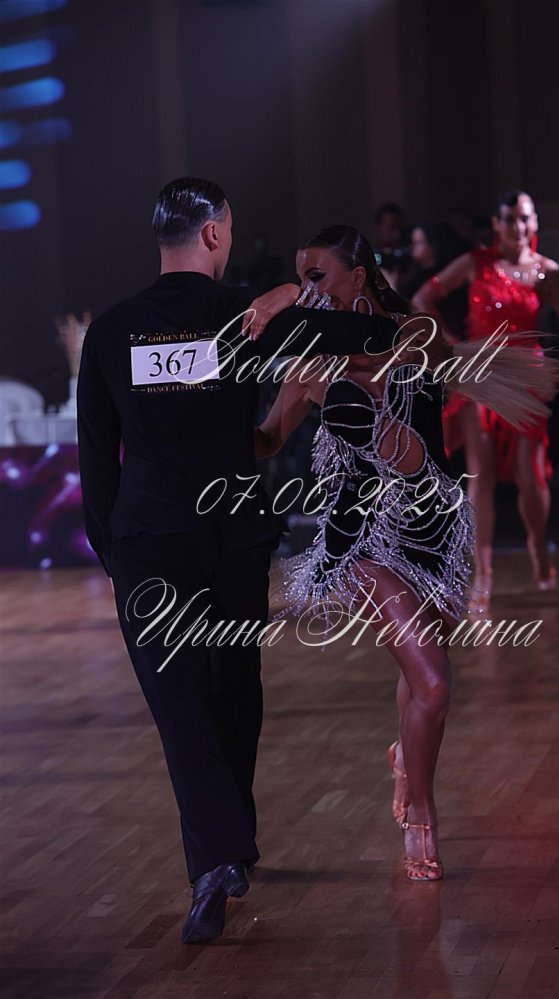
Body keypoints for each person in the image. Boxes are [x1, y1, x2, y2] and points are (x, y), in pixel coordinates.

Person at [76, 178, 402, 944]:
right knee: (232, 689)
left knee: (181, 703)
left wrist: (114, 552)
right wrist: (295, 293)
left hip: (150, 542)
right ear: (215, 234)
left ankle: (219, 855)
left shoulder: (112, 331)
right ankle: (227, 850)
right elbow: (373, 335)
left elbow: (96, 458)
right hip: (232, 538)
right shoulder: (249, 317)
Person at [253, 225, 556, 882]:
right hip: (362, 536)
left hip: (435, 529)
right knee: (434, 682)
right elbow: (268, 439)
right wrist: (209, 427)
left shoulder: (413, 332)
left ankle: (405, 758)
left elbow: (400, 356)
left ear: (358, 276)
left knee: (422, 681)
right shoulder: (307, 363)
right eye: (300, 278)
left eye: (317, 276)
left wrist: (284, 299)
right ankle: (421, 808)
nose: (308, 289)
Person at [413, 190, 559, 611]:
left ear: (534, 222)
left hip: (526, 380)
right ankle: (483, 572)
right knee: (480, 475)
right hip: (481, 377)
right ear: (496, 224)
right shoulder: (476, 262)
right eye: (509, 219)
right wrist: (454, 345)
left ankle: (537, 544)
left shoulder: (547, 271)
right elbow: (422, 299)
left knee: (530, 475)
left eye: (524, 218)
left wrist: (557, 374)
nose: (517, 227)